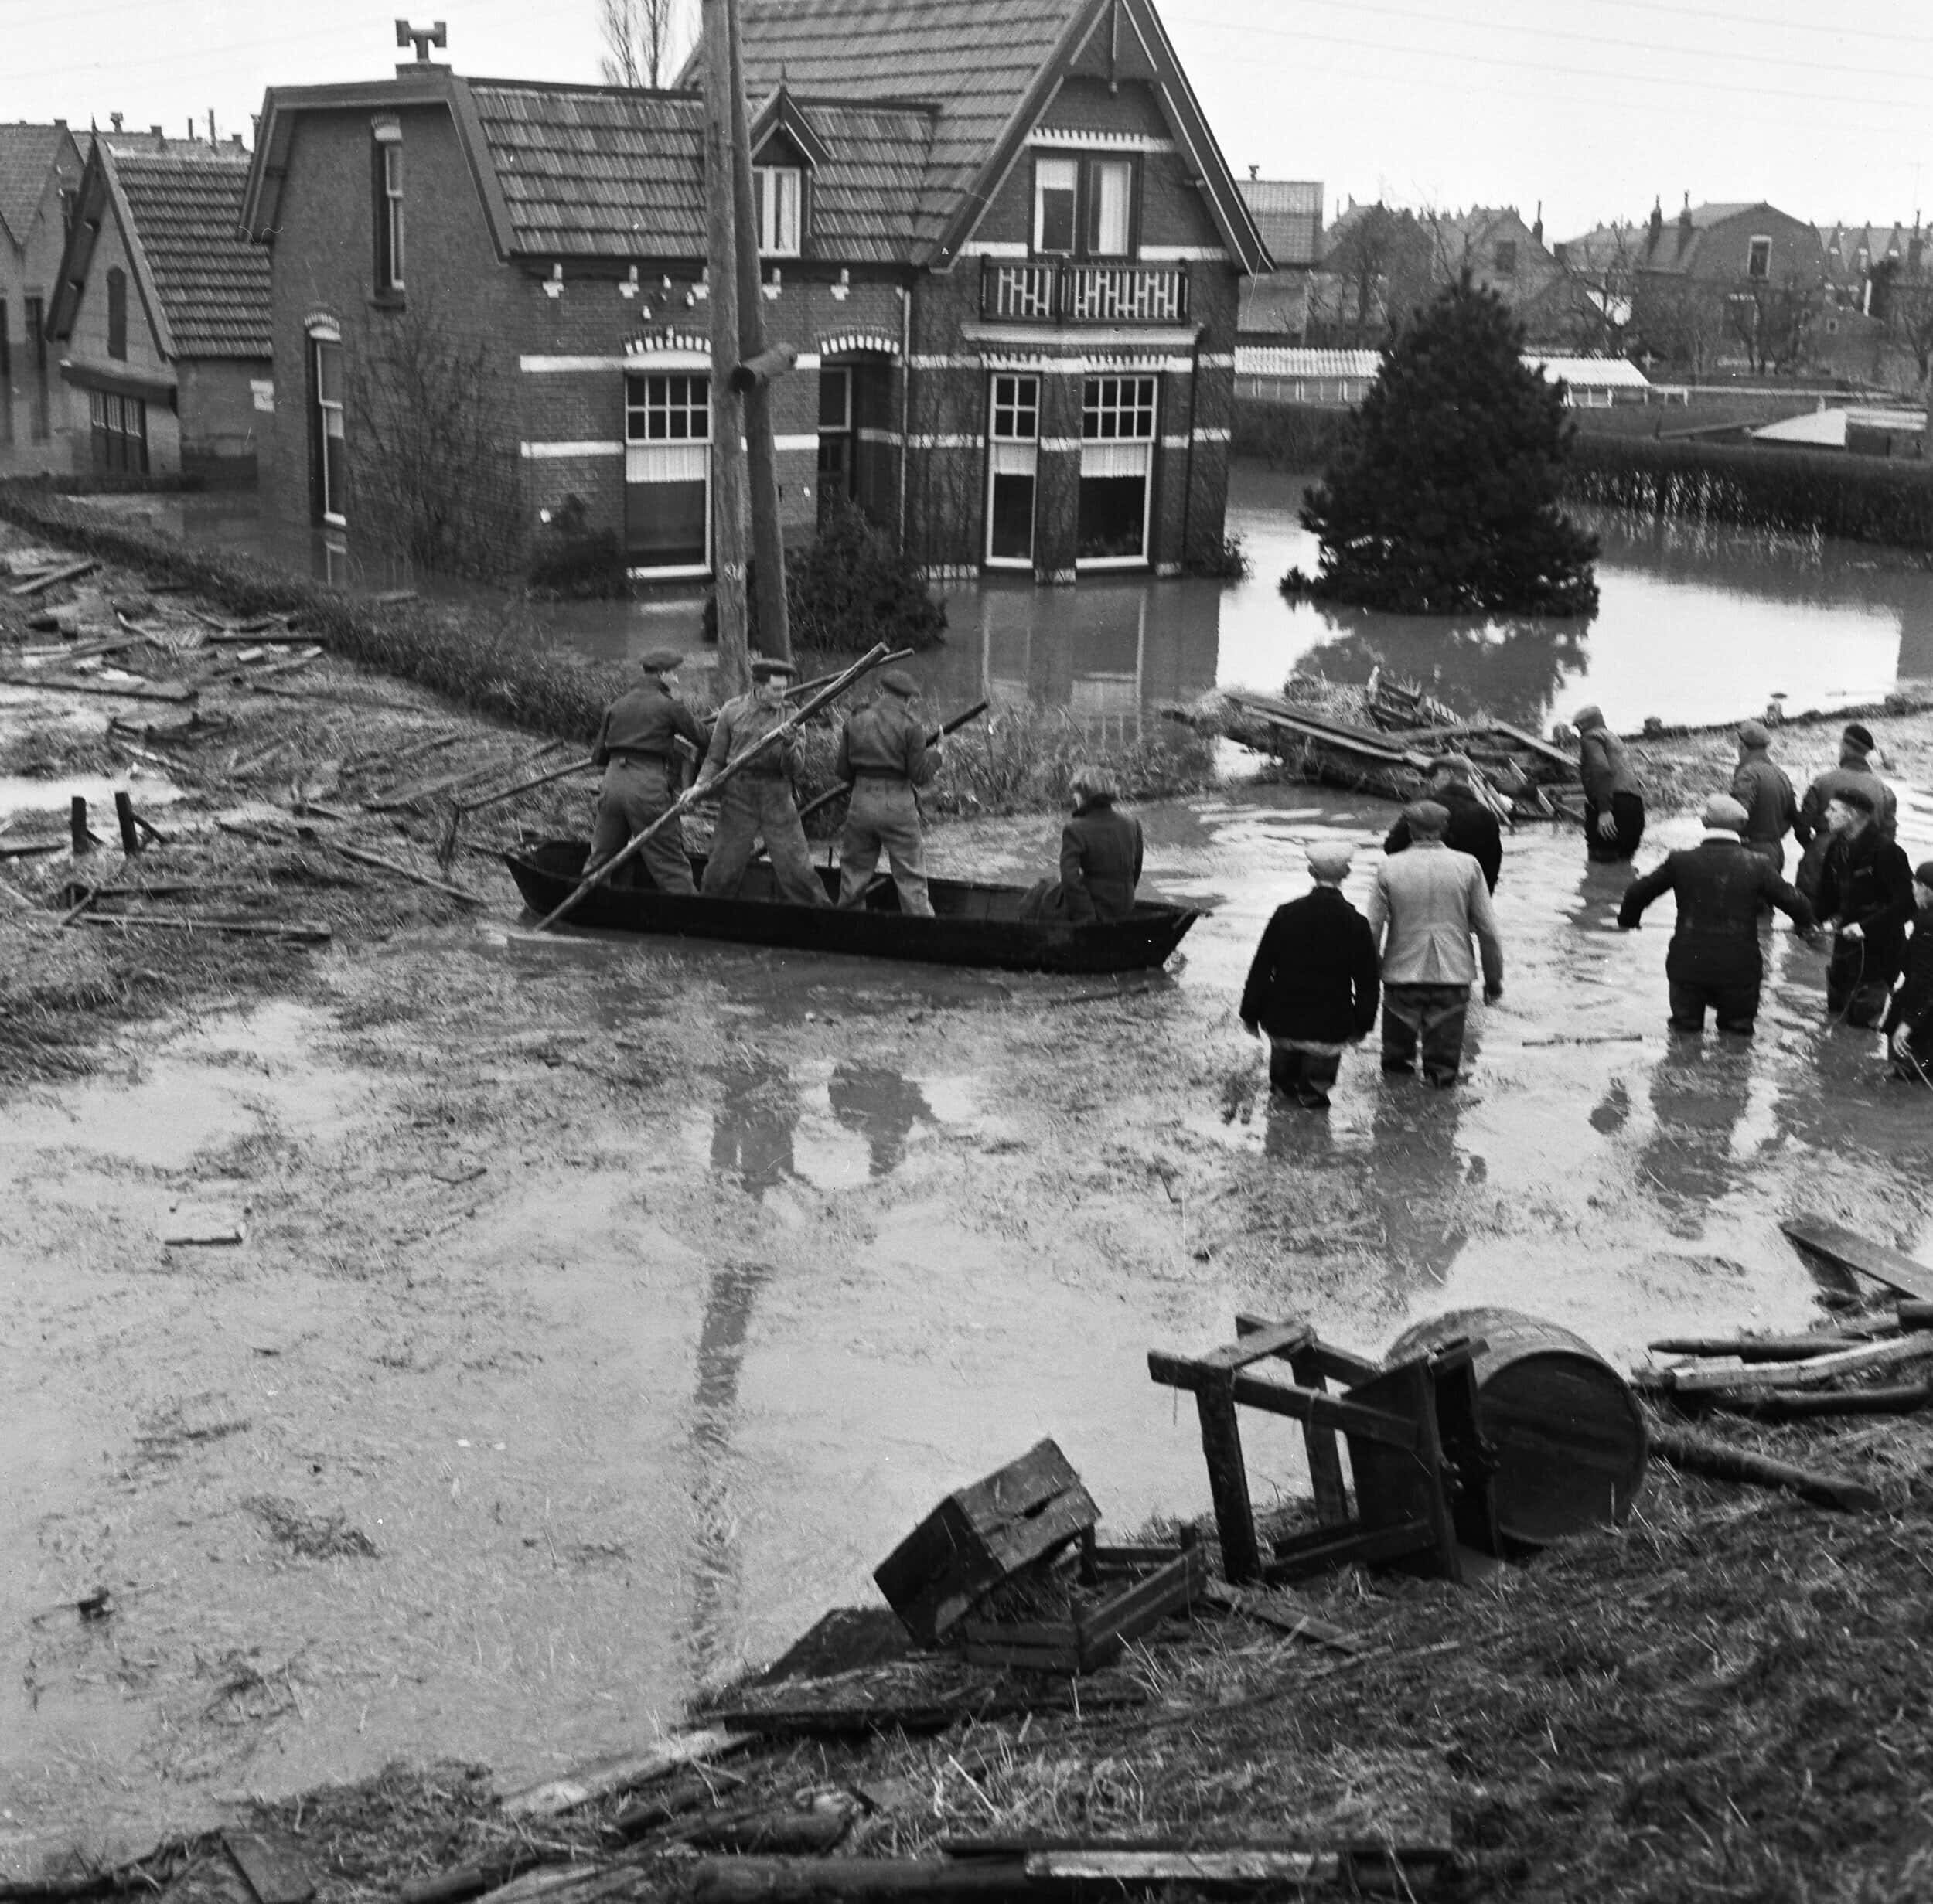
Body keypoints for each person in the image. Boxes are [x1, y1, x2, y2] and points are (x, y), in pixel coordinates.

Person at [1616, 793, 1814, 1036]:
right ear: (1742, 827)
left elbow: (1637, 893)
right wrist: (1806, 926)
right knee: (1737, 1037)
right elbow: (1796, 903)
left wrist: (1628, 921)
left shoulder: (1680, 861)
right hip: (1739, 970)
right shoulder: (1758, 864)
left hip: (1688, 967)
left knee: (1683, 1036)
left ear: (1705, 823)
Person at [1367, 799, 1504, 1088]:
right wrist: (1493, 980)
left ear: (1410, 828)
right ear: (1443, 828)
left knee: (1395, 1067)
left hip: (1400, 977)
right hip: (1453, 977)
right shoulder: (1469, 866)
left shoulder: (1388, 868)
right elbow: (1488, 930)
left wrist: (1372, 972)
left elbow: (1373, 927)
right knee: (1443, 1072)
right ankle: (1439, 1110)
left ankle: (1395, 1112)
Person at [1239, 841, 1381, 1109]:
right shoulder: (1357, 923)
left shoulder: (1285, 914)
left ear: (1311, 872)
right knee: (1314, 1098)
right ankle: (1312, 1129)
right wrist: (1363, 1024)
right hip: (1329, 1030)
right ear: (1347, 873)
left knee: (1281, 1095)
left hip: (1282, 1024)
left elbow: (1261, 969)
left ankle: (1278, 1130)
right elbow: (1367, 983)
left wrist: (1250, 1014)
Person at [697, 657, 829, 907]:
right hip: (738, 795)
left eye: (785, 688)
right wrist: (700, 785)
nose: (782, 694)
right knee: (721, 869)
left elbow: (795, 769)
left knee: (797, 869)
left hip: (777, 796)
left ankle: (821, 917)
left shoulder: (792, 714)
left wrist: (789, 745)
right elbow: (714, 758)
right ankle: (708, 915)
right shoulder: (732, 711)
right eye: (776, 689)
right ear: (758, 686)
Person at [588, 647, 707, 893]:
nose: (676, 680)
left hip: (612, 784)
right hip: (647, 786)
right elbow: (704, 738)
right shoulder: (670, 707)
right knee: (669, 862)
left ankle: (588, 906)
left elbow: (598, 757)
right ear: (662, 674)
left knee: (601, 859)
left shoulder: (616, 706)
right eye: (674, 674)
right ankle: (690, 911)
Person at [834, 669, 939, 917]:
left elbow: (842, 771)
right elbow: (920, 776)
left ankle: (847, 929)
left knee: (853, 875)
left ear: (881, 691)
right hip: (898, 804)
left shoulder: (856, 719)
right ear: (908, 699)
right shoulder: (911, 726)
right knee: (911, 878)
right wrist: (937, 756)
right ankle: (923, 932)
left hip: (862, 802)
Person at [1814, 786, 1916, 1027]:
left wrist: (1865, 928)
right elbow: (1827, 897)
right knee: (1834, 1018)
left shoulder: (1888, 852)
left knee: (1860, 1027)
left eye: (1833, 810)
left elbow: (1908, 905)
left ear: (1851, 815)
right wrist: (1814, 922)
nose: (1826, 814)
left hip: (1878, 959)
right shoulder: (1836, 847)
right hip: (1843, 952)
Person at [1019, 766, 1144, 923]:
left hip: (1094, 909)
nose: (1074, 797)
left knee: (1042, 890)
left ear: (1084, 796)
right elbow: (1135, 871)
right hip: (1125, 905)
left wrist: (1086, 917)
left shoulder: (1075, 828)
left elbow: (1069, 879)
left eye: (1076, 793)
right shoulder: (1132, 823)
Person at [1794, 721, 1897, 905]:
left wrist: (1815, 847)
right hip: (1862, 869)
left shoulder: (1822, 782)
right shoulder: (1884, 791)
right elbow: (1888, 837)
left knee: (1808, 917)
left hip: (1818, 866)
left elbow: (1802, 827)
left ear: (1845, 749)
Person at [1383, 755, 1503, 892]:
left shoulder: (1424, 807)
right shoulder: (1487, 816)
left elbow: (1392, 847)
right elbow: (1493, 864)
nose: (1433, 782)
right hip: (1468, 895)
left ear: (1447, 774)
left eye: (1435, 775)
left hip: (1425, 892)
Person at [1883, 861, 1933, 1083]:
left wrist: (1908, 1022)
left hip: (1922, 1019)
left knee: (1901, 1079)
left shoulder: (1927, 925)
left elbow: (1924, 979)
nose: (1913, 892)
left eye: (1915, 886)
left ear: (1925, 888)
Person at [1574, 706, 1645, 863]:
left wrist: (1605, 810)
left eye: (1578, 727)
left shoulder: (1590, 737)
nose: (1578, 732)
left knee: (1599, 867)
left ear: (1583, 725)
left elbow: (1602, 770)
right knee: (1625, 865)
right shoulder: (1614, 738)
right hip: (1635, 807)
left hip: (1613, 807)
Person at [1728, 720, 1798, 876]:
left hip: (1751, 851)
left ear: (1742, 747)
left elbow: (1737, 816)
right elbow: (1793, 816)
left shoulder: (1747, 773)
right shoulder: (1781, 774)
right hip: (1776, 850)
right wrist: (1773, 835)